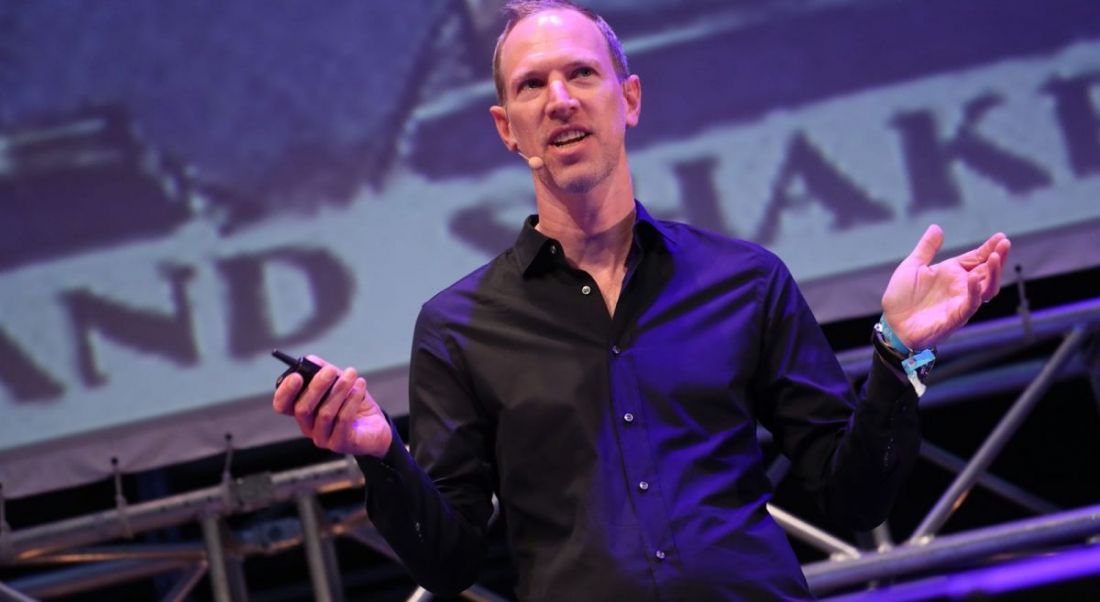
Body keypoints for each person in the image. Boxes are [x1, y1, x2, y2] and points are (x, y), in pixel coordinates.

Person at [272, 1, 1011, 599]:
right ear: (507, 129)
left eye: (581, 74)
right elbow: (450, 563)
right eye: (531, 85)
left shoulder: (744, 281)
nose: (559, 100)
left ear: (628, 99)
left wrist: (899, 355)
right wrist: (380, 457)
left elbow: (853, 502)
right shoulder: (459, 328)